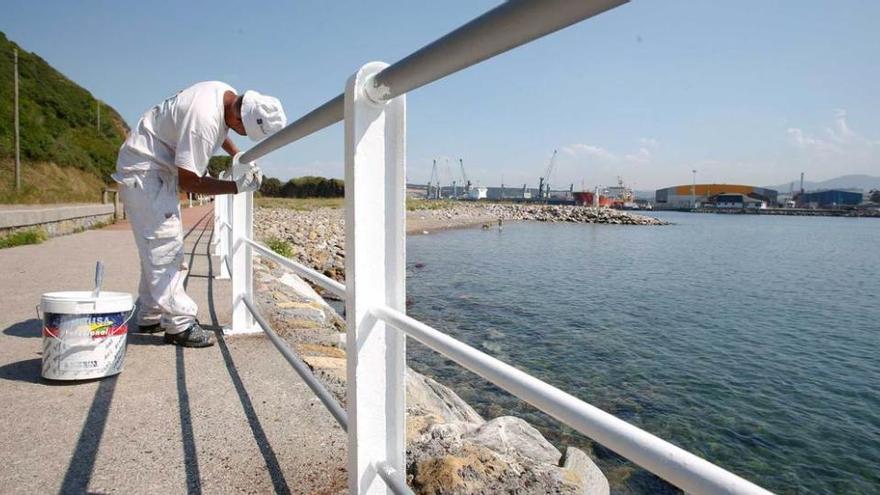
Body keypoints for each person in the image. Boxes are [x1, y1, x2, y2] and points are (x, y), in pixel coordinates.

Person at [112, 81, 286, 348]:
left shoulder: (222, 92)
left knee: (156, 243)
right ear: (239, 116)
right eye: (242, 131)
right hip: (147, 172)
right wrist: (236, 187)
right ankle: (180, 324)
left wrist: (237, 155)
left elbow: (221, 129)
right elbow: (190, 182)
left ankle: (150, 314)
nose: (238, 133)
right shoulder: (203, 122)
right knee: (165, 247)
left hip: (148, 164)